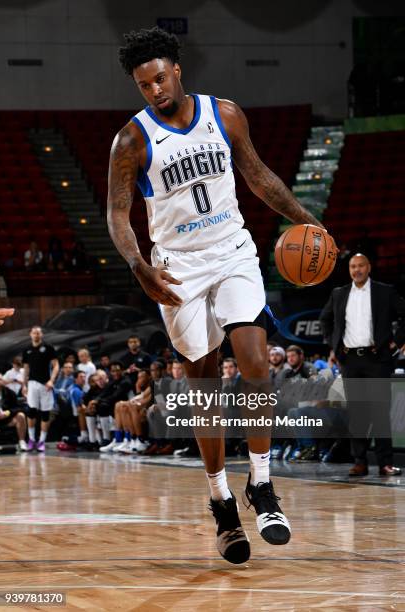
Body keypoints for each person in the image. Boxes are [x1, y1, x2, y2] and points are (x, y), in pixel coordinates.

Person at [107, 27, 327, 564]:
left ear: (177, 69)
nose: (155, 89)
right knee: (202, 386)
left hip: (232, 250)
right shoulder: (131, 141)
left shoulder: (224, 114)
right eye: (144, 84)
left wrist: (310, 222)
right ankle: (221, 503)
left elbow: (258, 176)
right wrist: (138, 265)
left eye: (160, 77)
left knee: (254, 362)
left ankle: (261, 484)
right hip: (176, 268)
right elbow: (116, 214)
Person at [319, 253, 405, 476]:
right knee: (357, 413)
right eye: (352, 266)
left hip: (377, 358)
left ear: (369, 267)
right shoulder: (339, 293)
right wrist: (334, 345)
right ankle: (360, 462)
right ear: (349, 270)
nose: (356, 270)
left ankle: (385, 463)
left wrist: (396, 341)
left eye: (360, 266)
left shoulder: (384, 291)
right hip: (350, 360)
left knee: (380, 411)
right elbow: (324, 319)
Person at [22, 326, 59, 452]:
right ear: (30, 334)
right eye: (34, 333)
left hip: (45, 384)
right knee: (31, 412)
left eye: (38, 333)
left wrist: (51, 381)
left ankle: (42, 441)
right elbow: (26, 369)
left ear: (42, 334)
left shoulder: (48, 348)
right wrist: (24, 385)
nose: (36, 335)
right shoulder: (27, 350)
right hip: (32, 383)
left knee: (45, 413)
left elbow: (56, 366)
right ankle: (31, 439)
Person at [0, 373, 28, 452]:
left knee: (21, 416)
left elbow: (19, 408)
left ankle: (22, 441)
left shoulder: (9, 392)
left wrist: (7, 413)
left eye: (0, 379)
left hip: (7, 419)